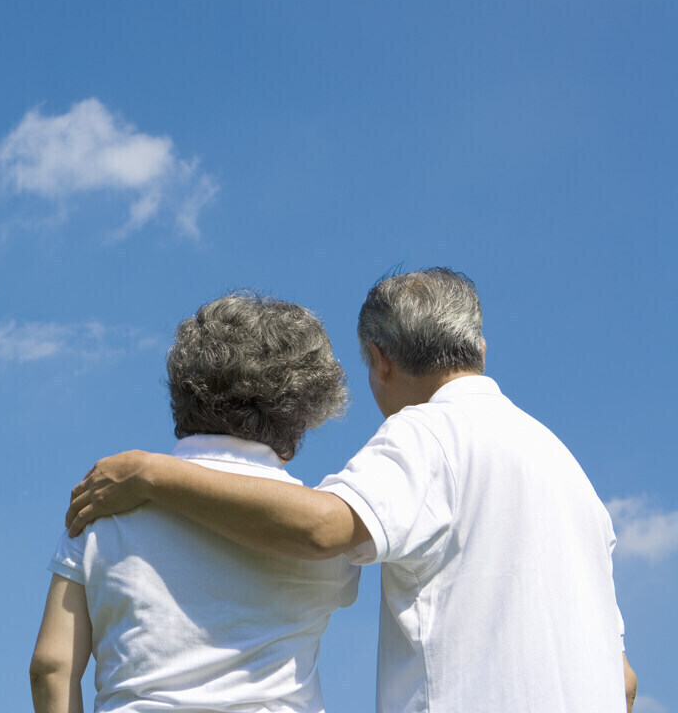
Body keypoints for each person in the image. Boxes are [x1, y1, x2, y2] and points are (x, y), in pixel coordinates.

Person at [67, 268, 637, 713]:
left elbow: (322, 527)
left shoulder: (427, 432)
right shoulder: (570, 474)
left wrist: (151, 474)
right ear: (480, 351)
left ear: (381, 363)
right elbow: (625, 680)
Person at [30, 293, 361, 713]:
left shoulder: (102, 506)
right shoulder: (326, 531)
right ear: (302, 412)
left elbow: (50, 668)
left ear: (184, 391)